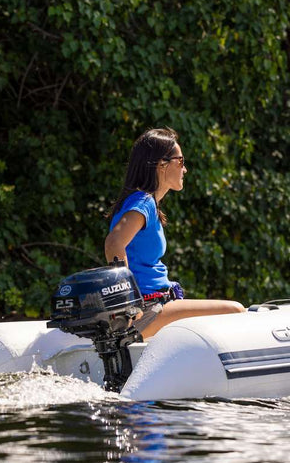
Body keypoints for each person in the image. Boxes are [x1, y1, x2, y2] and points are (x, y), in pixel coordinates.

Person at [104, 127, 244, 338]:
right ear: (162, 164)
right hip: (147, 309)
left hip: (159, 302)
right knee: (236, 311)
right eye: (181, 161)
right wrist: (127, 303)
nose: (184, 169)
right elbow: (114, 243)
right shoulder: (143, 202)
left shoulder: (144, 202)